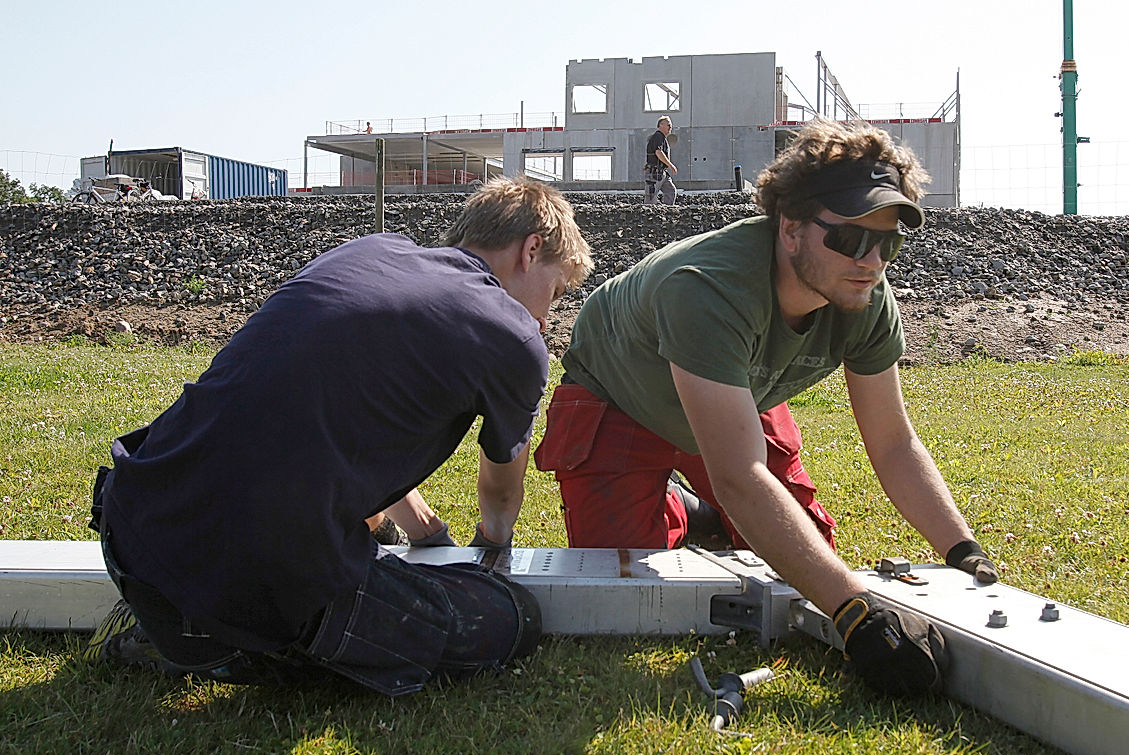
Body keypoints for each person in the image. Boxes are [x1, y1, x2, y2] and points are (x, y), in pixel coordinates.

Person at [535, 118, 999, 696]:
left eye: (888, 242)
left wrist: (962, 551)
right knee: (626, 592)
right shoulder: (706, 287)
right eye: (851, 238)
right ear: (790, 229)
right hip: (624, 395)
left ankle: (700, 508)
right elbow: (740, 476)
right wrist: (857, 613)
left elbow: (893, 442)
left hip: (735, 398)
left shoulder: (866, 297)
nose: (871, 261)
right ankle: (684, 505)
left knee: (807, 558)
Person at [85, 177, 594, 697]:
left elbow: (345, 427)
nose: (544, 316)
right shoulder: (512, 335)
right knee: (509, 619)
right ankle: (206, 645)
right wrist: (490, 555)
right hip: (240, 581)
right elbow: (502, 493)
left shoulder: (371, 252)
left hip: (133, 521)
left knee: (366, 536)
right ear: (531, 250)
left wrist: (428, 537)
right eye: (553, 293)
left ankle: (173, 614)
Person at [644, 115, 678, 205]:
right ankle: (648, 215)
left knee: (670, 191)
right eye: (668, 125)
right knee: (651, 196)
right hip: (654, 172)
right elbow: (658, 152)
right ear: (660, 125)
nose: (670, 127)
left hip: (661, 172)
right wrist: (671, 165)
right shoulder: (658, 136)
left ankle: (667, 212)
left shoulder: (662, 138)